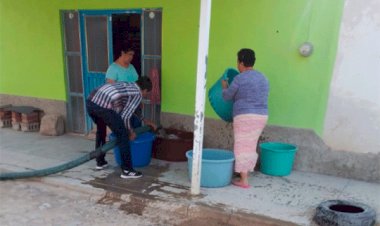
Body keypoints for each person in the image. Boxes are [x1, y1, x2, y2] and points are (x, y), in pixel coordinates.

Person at [86, 77, 152, 179]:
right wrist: (130, 131)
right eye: (147, 93)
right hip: (103, 106)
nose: (145, 96)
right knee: (123, 135)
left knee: (101, 129)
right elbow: (125, 116)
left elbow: (125, 110)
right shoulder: (137, 93)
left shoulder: (128, 85)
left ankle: (100, 162)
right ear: (144, 90)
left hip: (91, 102)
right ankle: (127, 170)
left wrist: (143, 119)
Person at [222, 48, 269, 188]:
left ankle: (244, 180)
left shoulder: (239, 78)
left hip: (244, 116)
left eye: (238, 61)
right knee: (250, 146)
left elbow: (227, 97)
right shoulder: (263, 78)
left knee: (241, 146)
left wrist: (224, 86)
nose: (237, 65)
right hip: (261, 116)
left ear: (241, 62)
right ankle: (245, 173)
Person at [106, 44, 157, 131]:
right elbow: (111, 90)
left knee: (136, 127)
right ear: (122, 53)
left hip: (134, 103)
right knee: (124, 130)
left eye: (132, 55)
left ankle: (135, 144)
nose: (131, 57)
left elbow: (138, 86)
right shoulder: (113, 69)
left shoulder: (131, 67)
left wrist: (139, 100)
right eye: (129, 54)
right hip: (121, 105)